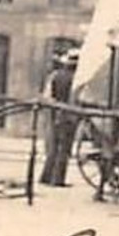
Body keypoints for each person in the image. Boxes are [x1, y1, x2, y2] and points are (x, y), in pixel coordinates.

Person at [39, 49, 79, 187]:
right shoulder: (76, 79)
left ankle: (46, 176)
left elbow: (47, 95)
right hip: (68, 115)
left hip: (54, 112)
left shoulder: (55, 76)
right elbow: (76, 99)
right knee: (64, 147)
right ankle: (58, 179)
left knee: (53, 146)